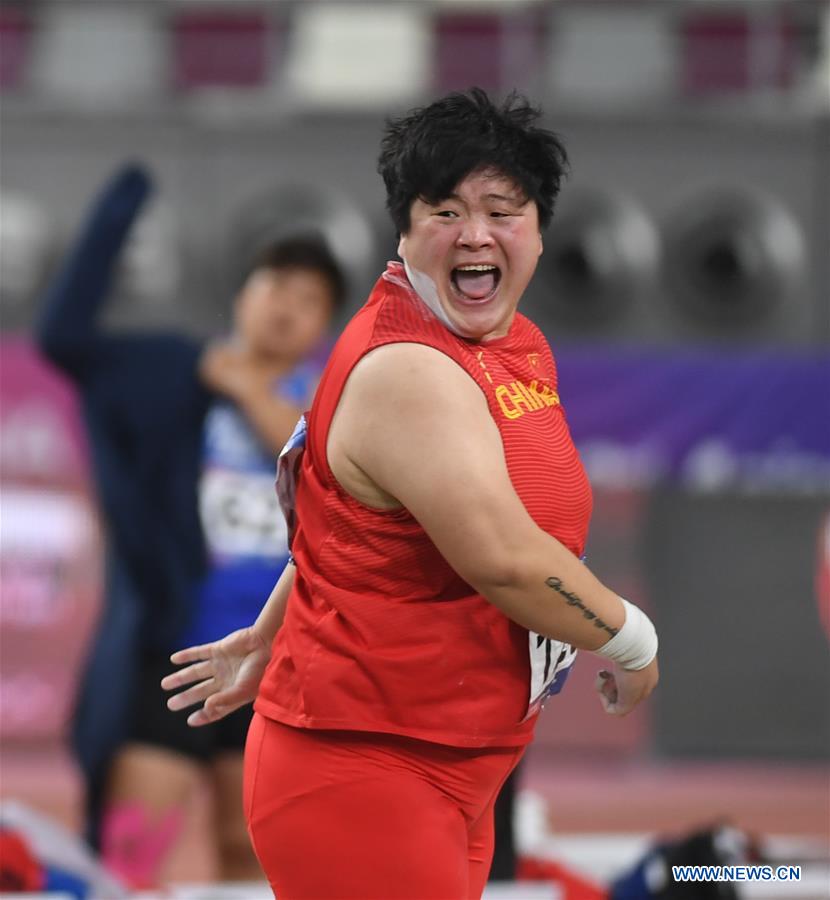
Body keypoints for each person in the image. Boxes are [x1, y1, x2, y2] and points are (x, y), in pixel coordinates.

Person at [164, 88, 660, 899]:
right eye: (446, 210)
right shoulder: (409, 371)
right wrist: (631, 640)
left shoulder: (511, 340)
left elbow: (356, 517)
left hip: (457, 760)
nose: (475, 234)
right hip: (368, 765)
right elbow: (503, 560)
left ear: (538, 232)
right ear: (403, 228)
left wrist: (269, 631)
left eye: (504, 210)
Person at [36, 166, 346, 888]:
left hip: (281, 665)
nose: (286, 308)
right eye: (275, 286)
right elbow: (62, 339)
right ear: (239, 295)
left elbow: (323, 465)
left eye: (309, 300)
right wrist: (119, 210)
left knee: (249, 855)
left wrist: (246, 387)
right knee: (130, 852)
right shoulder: (176, 372)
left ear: (323, 327)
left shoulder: (336, 401)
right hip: (173, 658)